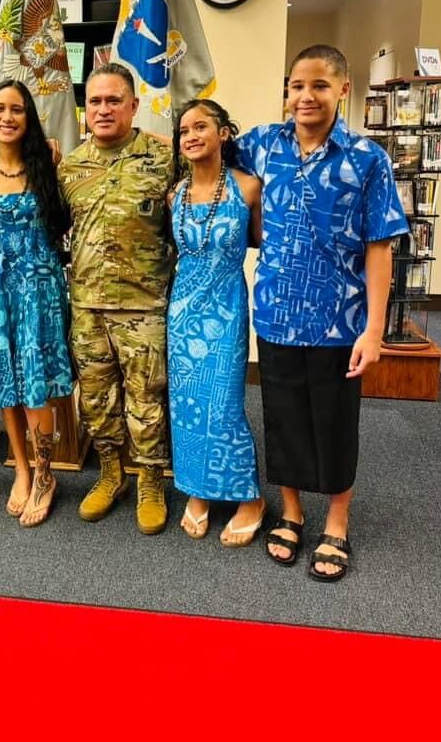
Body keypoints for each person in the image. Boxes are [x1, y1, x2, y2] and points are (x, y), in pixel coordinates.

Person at [236, 44, 408, 581]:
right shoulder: (263, 144)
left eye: (319, 86)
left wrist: (375, 329)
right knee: (282, 417)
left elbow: (381, 245)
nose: (305, 96)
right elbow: (202, 148)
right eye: (296, 86)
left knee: (333, 422)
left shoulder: (367, 157)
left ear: (343, 89)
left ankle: (336, 520)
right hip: (275, 312)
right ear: (286, 93)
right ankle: (291, 512)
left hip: (341, 319)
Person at [58, 62, 174, 535]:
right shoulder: (69, 166)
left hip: (144, 305)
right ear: (85, 109)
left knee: (146, 400)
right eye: (95, 102)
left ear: (133, 105)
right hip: (87, 304)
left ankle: (149, 479)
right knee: (97, 400)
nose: (103, 109)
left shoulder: (165, 159)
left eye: (113, 100)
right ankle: (111, 474)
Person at [0, 80, 73, 528]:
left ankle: (46, 473)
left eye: (17, 110)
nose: (7, 117)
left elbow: (59, 220)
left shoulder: (46, 159)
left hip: (39, 287)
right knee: (3, 377)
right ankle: (22, 469)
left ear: (29, 118)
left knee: (37, 383)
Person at [168, 99, 265, 546]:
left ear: (224, 132)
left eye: (201, 126)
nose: (191, 135)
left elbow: (266, 245)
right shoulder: (174, 195)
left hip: (225, 311)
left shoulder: (248, 188)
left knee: (224, 406)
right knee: (186, 408)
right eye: (184, 129)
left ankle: (249, 497)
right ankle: (198, 489)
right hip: (181, 314)